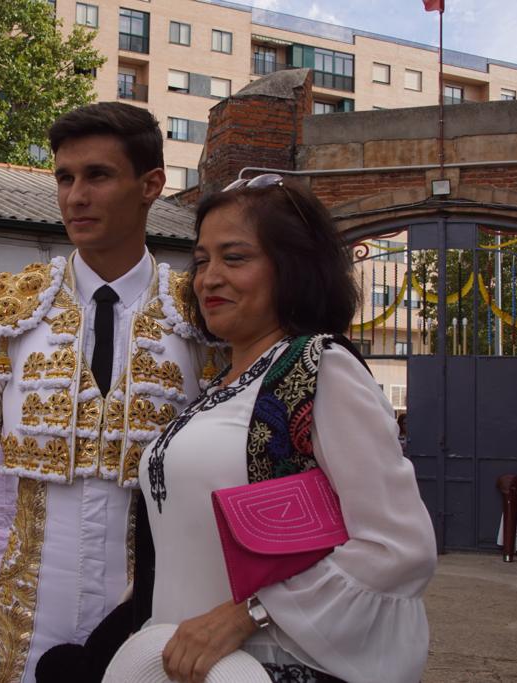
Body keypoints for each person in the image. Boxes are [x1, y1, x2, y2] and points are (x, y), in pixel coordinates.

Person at [0, 101, 210, 683]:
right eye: (65, 178)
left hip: (157, 613)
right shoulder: (8, 310)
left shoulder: (199, 315)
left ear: (151, 185)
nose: (76, 196)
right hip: (27, 614)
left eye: (98, 176)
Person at [135, 174, 436, 683]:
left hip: (268, 667)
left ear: (292, 268)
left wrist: (246, 613)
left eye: (235, 258)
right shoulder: (218, 386)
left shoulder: (319, 368)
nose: (208, 278)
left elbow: (399, 547)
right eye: (202, 260)